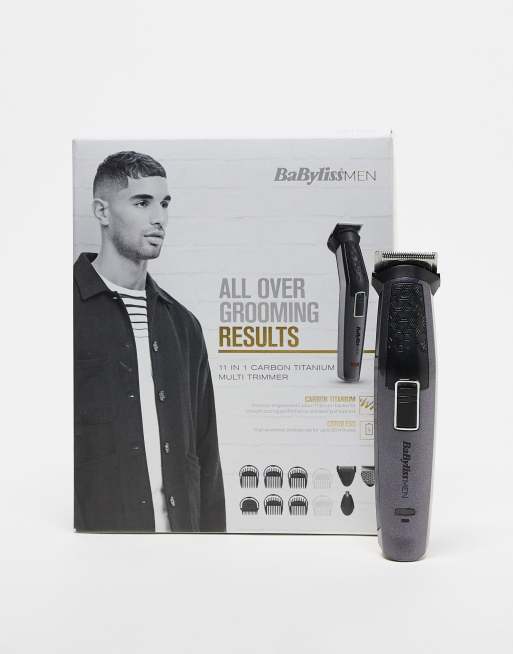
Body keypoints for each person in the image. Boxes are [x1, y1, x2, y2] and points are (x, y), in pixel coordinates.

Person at [74, 151, 225, 532]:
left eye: (164, 203)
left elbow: (207, 455)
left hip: (181, 548)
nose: (159, 218)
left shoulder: (184, 326)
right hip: (96, 552)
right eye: (142, 203)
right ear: (102, 211)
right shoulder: (62, 312)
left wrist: (216, 548)